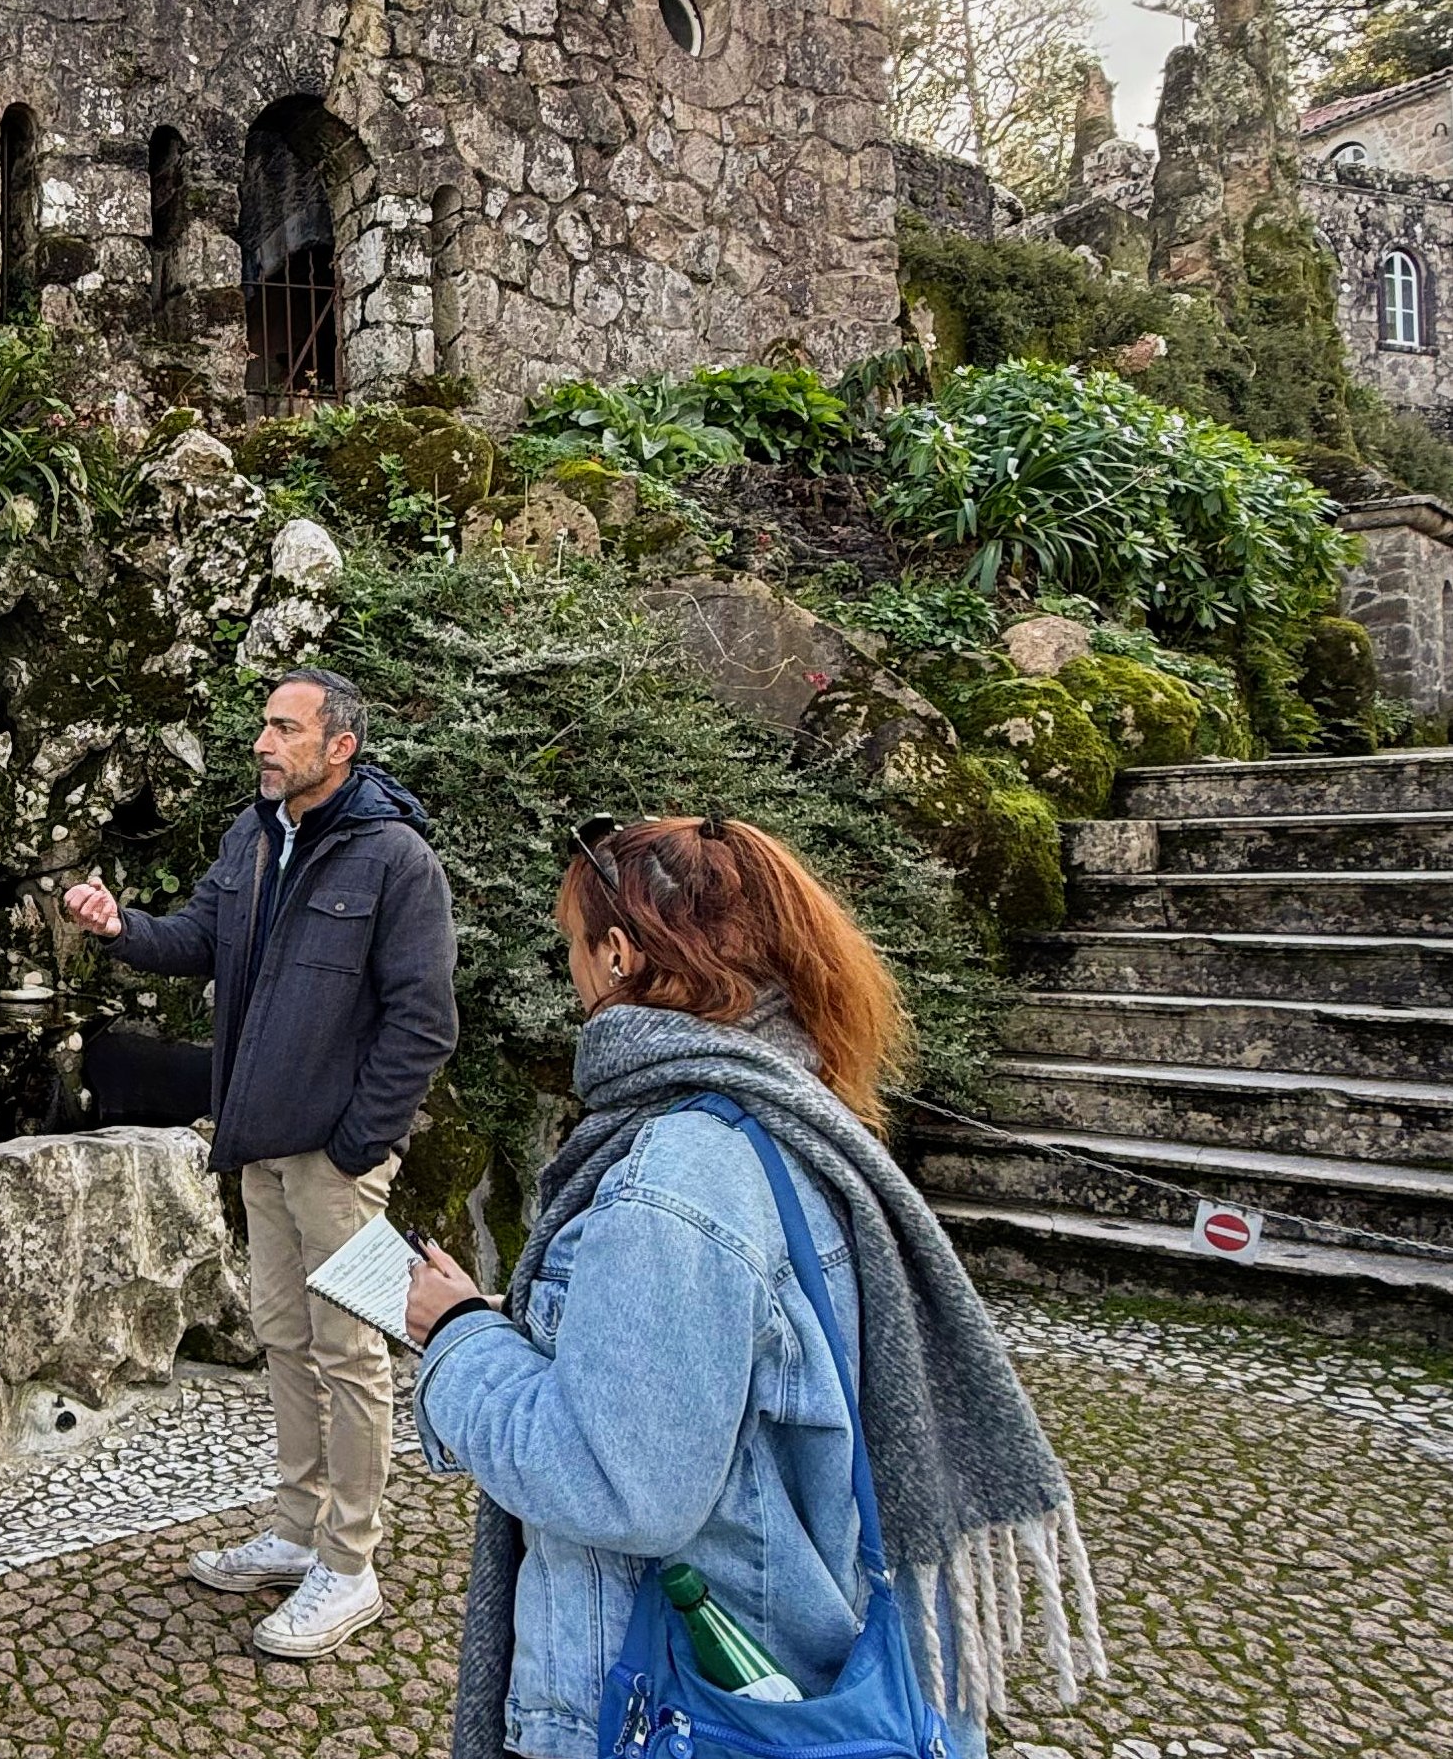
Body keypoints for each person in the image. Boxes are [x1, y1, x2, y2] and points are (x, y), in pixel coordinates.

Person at [402, 815, 1104, 1759]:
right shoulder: (793, 1113)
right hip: (786, 1644)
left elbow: (621, 1483)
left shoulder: (681, 1171)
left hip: (656, 1698)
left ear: (617, 956)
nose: (569, 972)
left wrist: (456, 1339)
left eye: (573, 943)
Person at [60, 667, 458, 1660]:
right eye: (262, 726)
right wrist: (121, 929)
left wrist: (360, 1141)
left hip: (335, 1160)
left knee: (352, 1354)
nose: (262, 743)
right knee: (284, 1337)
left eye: (285, 728)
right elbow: (200, 940)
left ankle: (350, 1562)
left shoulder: (394, 861)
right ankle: (293, 1526)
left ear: (339, 748)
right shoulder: (252, 836)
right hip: (258, 1145)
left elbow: (424, 1019)